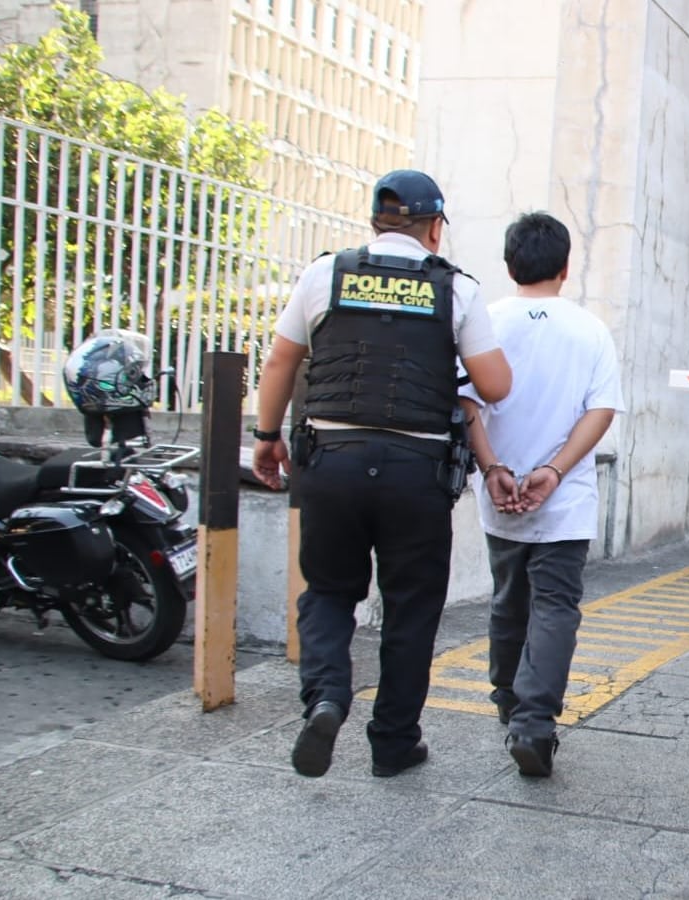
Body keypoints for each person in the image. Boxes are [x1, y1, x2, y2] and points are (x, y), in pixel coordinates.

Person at [251, 169, 512, 779]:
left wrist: (266, 438)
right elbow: (496, 384)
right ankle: (393, 743)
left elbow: (281, 359)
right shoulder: (456, 290)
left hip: (331, 460)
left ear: (376, 221)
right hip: (415, 473)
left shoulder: (325, 274)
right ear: (434, 228)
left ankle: (325, 698)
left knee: (328, 592)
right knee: (411, 608)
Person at [457, 211, 624, 778]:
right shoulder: (589, 330)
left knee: (508, 599)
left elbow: (467, 405)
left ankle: (508, 699)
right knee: (554, 607)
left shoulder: (486, 324)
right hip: (566, 500)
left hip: (499, 494)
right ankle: (534, 722)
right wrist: (553, 472)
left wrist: (492, 468)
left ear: (509, 265)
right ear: (566, 266)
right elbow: (600, 410)